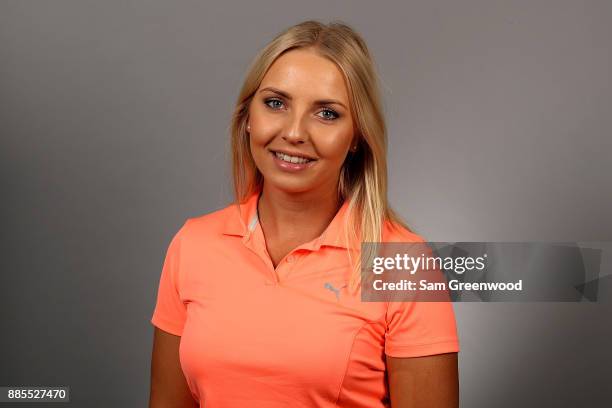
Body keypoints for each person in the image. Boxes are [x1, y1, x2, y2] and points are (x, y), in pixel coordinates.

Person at [149, 20, 459, 408]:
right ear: (248, 118)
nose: (295, 132)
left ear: (357, 137)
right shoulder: (193, 244)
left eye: (327, 114)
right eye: (276, 103)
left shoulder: (405, 264)